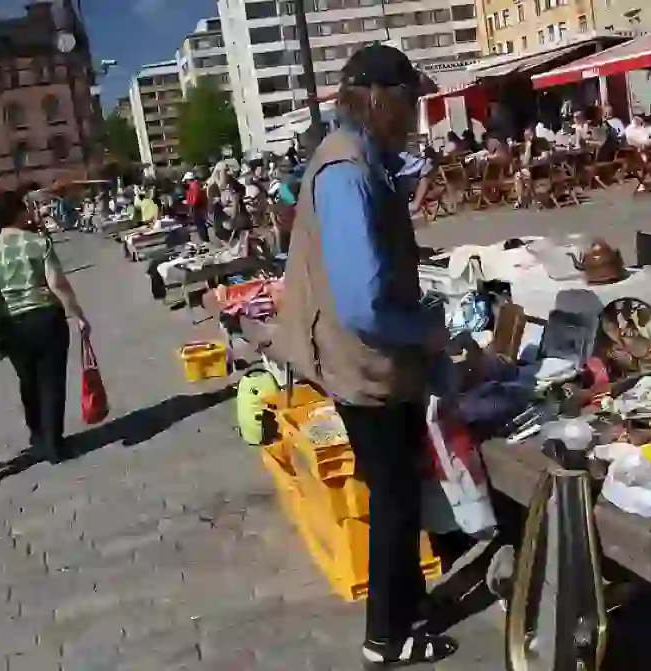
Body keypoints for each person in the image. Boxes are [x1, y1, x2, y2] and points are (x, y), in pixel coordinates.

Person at [276, 43, 457, 667]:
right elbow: (363, 304)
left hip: (361, 357)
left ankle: (408, 605)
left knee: (397, 488)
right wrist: (427, 331)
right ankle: (388, 634)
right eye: (409, 101)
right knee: (394, 497)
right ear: (378, 100)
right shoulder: (350, 170)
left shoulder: (354, 159)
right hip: (366, 361)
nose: (414, 115)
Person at [0, 191, 91, 464]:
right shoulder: (38, 243)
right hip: (45, 317)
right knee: (51, 381)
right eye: (25, 209)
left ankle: (37, 436)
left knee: (27, 381)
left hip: (11, 325)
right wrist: (78, 314)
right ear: (17, 213)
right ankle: (54, 444)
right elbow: (57, 284)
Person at [182, 171, 210, 243]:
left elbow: (195, 198)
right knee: (200, 224)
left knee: (200, 224)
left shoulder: (194, 186)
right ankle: (204, 239)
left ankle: (205, 240)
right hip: (198, 206)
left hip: (198, 207)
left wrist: (191, 206)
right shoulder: (195, 185)